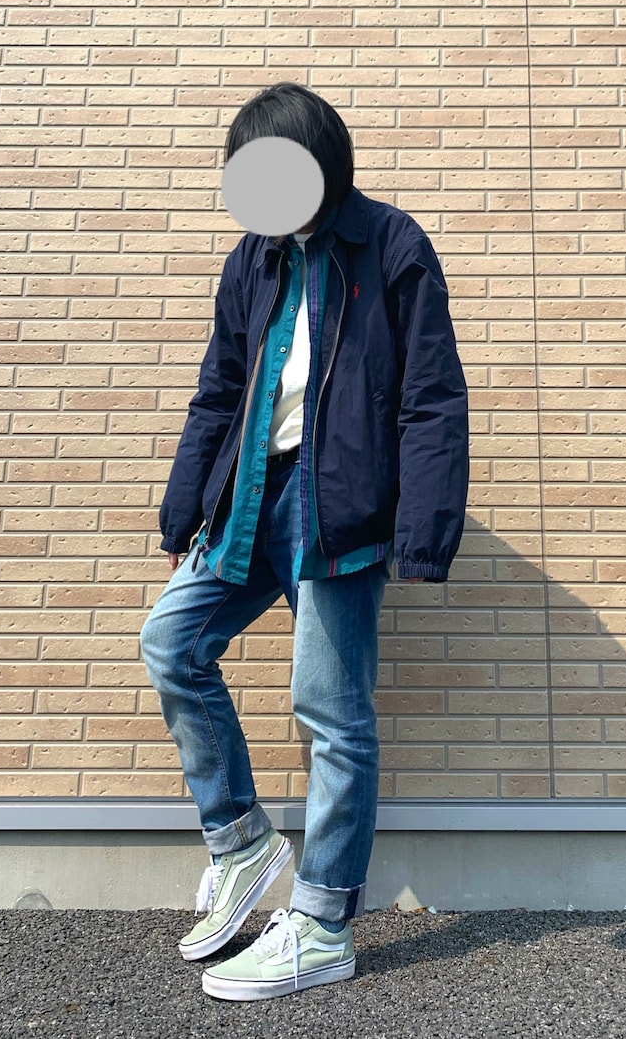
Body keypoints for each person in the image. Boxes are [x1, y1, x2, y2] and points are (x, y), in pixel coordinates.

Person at [140, 82, 470, 1002]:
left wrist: (423, 530)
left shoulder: (390, 244)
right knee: (171, 643)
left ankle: (323, 924)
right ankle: (241, 842)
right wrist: (182, 511)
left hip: (341, 508)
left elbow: (432, 395)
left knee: (331, 710)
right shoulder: (252, 260)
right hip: (252, 496)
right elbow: (219, 389)